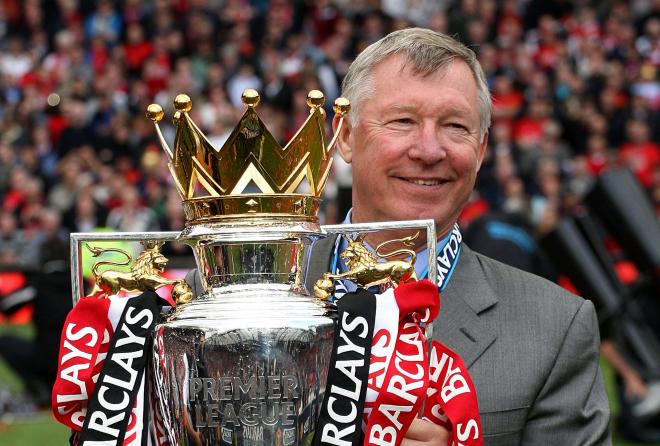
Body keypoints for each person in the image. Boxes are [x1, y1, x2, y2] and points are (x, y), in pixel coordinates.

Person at [304, 28, 611, 445]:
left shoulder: (555, 328)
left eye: (454, 126)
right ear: (344, 136)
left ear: (481, 149)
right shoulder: (224, 297)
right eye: (402, 121)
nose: (429, 150)